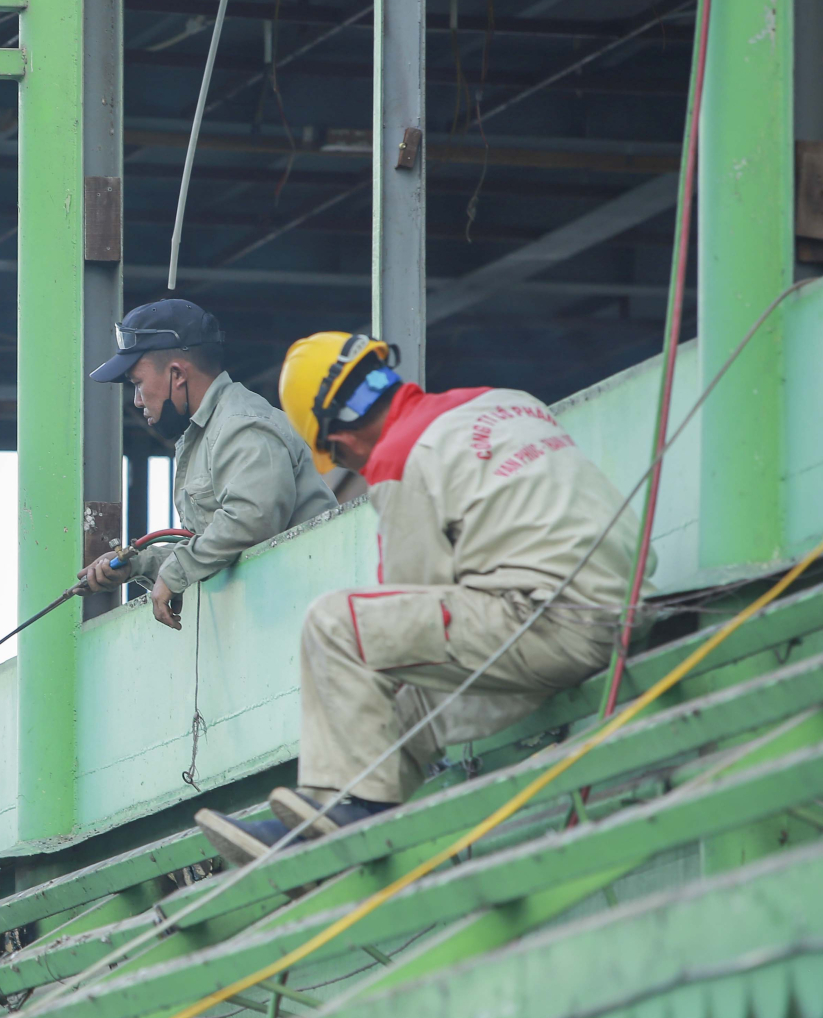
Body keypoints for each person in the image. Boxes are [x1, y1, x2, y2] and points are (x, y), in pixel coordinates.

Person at [194, 333, 648, 865]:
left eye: (339, 458)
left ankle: (351, 809)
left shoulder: (400, 454)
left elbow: (410, 604)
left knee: (335, 624)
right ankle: (333, 814)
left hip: (548, 625)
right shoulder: (504, 403)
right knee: (403, 707)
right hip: (619, 611)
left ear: (340, 439)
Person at [81, 299, 338, 627]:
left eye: (138, 383)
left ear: (176, 375)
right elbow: (211, 544)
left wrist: (176, 571)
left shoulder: (243, 426)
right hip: (284, 620)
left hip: (315, 616)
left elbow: (251, 521)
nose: (137, 400)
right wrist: (138, 565)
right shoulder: (202, 434)